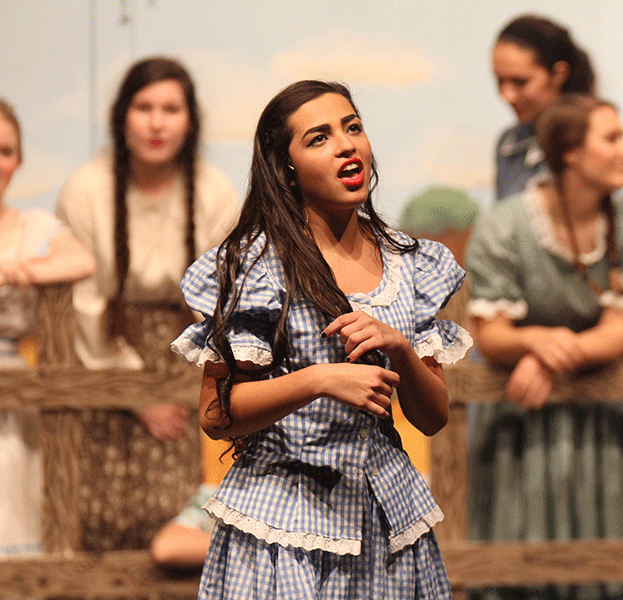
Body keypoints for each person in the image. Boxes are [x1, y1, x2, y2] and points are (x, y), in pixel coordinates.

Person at [170, 80, 471, 599]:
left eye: (353, 127)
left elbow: (433, 416)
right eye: (319, 138)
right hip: (284, 530)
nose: (346, 144)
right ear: (285, 167)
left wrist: (399, 347)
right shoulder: (257, 266)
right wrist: (319, 380)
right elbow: (216, 415)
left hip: (384, 522)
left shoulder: (410, 263)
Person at [466, 94, 623, 600]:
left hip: (604, 417)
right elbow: (490, 333)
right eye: (612, 138)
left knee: (611, 554)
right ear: (571, 153)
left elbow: (618, 334)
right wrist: (535, 341)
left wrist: (548, 358)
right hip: (521, 419)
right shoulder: (506, 224)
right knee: (522, 551)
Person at [55, 57, 240, 550]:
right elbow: (83, 307)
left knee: (173, 520)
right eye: (144, 107)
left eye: (171, 108)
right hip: (103, 356)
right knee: (99, 518)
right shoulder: (86, 189)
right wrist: (136, 394)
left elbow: (226, 305)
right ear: (122, 116)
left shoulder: (214, 191)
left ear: (190, 120)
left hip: (186, 363)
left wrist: (181, 387)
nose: (157, 123)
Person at [0, 98, 95, 558]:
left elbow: (81, 260)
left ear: (17, 160)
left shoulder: (32, 226)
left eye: (5, 150)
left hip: (13, 385)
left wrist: (24, 268)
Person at [491, 14, 596, 201]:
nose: (507, 95)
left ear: (558, 74)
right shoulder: (508, 143)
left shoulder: (591, 139)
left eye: (520, 82)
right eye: (500, 80)